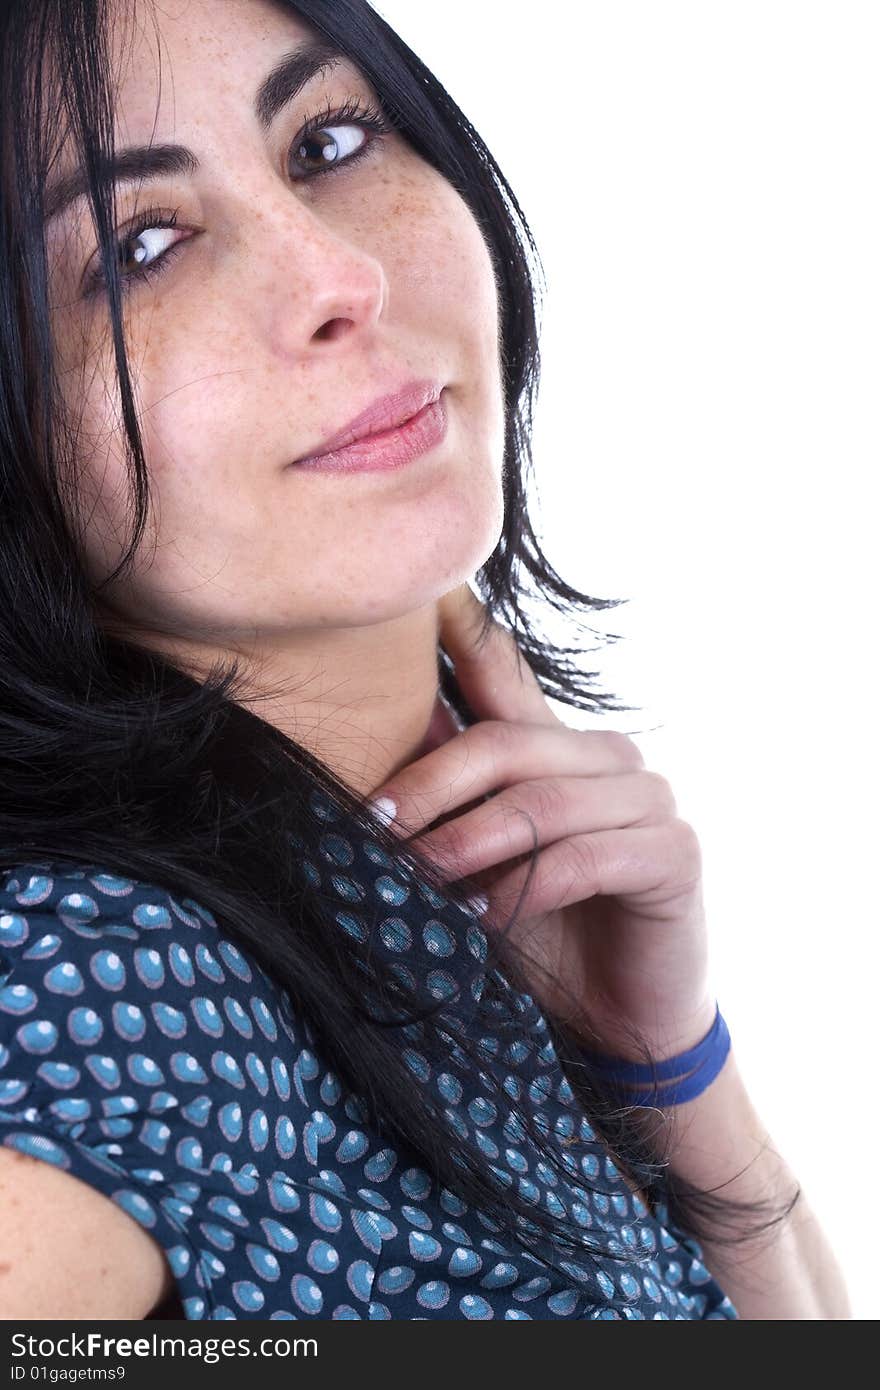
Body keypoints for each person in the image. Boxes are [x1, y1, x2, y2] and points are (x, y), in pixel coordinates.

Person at [0, 0, 850, 1321]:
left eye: (331, 141)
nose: (343, 278)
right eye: (142, 246)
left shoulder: (417, 867)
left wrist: (669, 1065)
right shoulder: (92, 984)